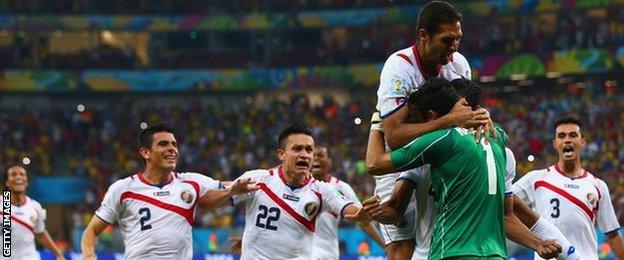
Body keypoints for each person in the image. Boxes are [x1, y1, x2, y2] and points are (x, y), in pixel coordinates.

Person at [367, 78, 578, 259]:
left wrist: (379, 120)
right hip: (493, 253)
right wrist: (538, 243)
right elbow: (506, 215)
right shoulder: (497, 141)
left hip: (447, 251)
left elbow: (375, 164)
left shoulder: (434, 143)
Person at [372, 1, 489, 258]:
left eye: (458, 39)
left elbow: (466, 114)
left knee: (439, 241)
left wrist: (482, 115)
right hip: (400, 162)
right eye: (447, 40)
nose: (454, 47)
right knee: (403, 249)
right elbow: (394, 136)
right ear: (424, 36)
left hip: (439, 159)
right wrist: (447, 122)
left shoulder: (458, 65)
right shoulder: (399, 68)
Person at [81, 123, 258, 260]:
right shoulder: (123, 189)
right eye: (163, 144)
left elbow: (230, 186)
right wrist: (89, 256)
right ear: (145, 152)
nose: (172, 149)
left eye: (174, 144)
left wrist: (232, 191)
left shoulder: (191, 182)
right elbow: (91, 231)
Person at [230, 124, 370, 260]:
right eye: (297, 149)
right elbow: (216, 197)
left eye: (309, 150)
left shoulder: (325, 190)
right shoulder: (257, 179)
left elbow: (354, 210)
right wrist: (225, 191)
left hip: (326, 254)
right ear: (281, 154)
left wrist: (365, 213)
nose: (304, 155)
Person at [513, 115, 624, 259]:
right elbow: (503, 204)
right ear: (555, 143)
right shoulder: (536, 179)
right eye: (561, 136)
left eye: (573, 135)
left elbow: (613, 234)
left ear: (582, 141)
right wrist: (533, 241)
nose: (567, 140)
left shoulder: (598, 186)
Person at [311, 144, 384, 259]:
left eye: (320, 155)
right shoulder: (299, 186)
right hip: (302, 251)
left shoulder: (340, 188)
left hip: (327, 252)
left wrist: (384, 245)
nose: (316, 158)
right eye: (313, 155)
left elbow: (362, 219)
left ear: (329, 160)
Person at [1, 164, 65, 260]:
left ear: (26, 182)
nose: (18, 177)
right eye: (14, 174)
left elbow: (40, 233)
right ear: (7, 182)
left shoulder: (35, 207)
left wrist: (58, 254)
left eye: (22, 174)